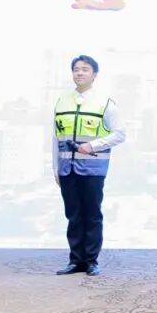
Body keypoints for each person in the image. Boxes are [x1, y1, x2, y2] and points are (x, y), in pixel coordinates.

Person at [53, 55, 126, 276]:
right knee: (73, 215)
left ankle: (92, 261)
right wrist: (55, 168)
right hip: (67, 169)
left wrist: (92, 145)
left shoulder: (105, 103)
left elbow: (120, 134)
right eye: (76, 69)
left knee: (92, 215)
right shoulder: (62, 101)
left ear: (95, 75)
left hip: (93, 169)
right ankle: (76, 260)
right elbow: (55, 137)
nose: (80, 73)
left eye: (85, 69)